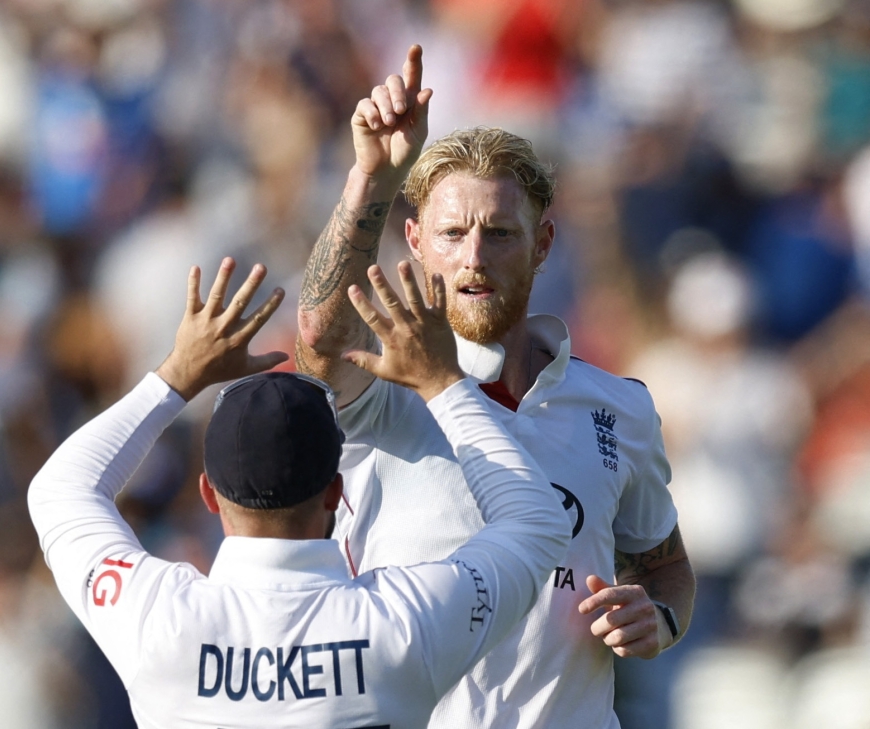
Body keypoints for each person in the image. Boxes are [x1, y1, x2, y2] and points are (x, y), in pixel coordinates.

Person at [296, 45, 696, 729]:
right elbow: (318, 333)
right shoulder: (385, 388)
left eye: (500, 233)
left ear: (543, 244)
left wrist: (656, 617)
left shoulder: (619, 407)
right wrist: (372, 177)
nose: (474, 257)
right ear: (416, 241)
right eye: (452, 233)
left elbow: (666, 567)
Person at [28, 258, 572, 728]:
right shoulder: (405, 623)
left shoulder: (157, 622)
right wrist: (441, 382)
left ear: (209, 496)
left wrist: (176, 377)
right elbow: (537, 523)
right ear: (335, 493)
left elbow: (60, 490)